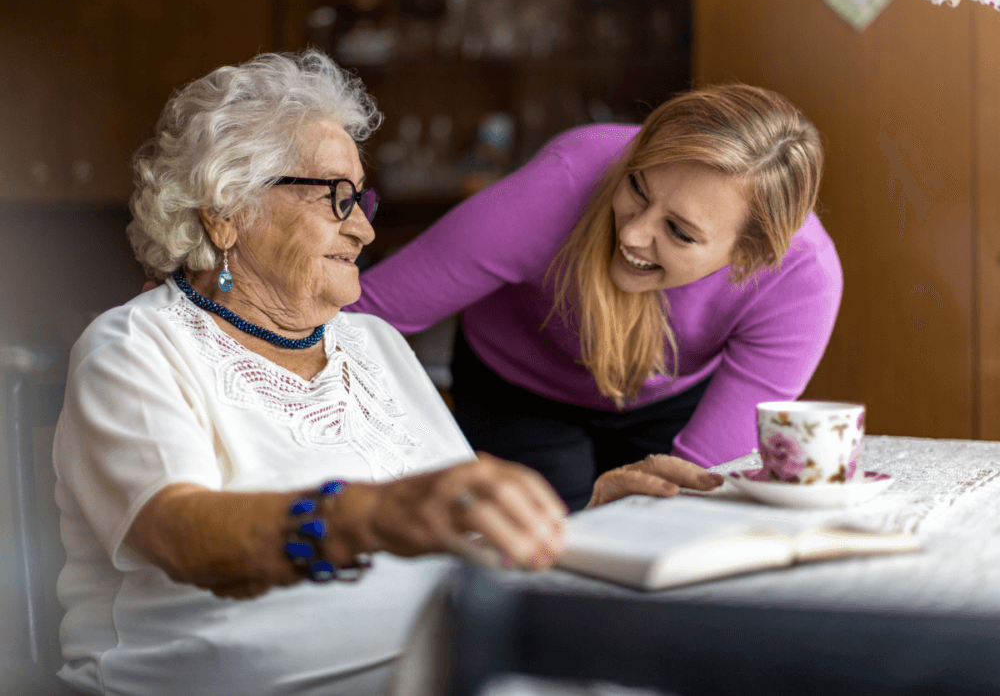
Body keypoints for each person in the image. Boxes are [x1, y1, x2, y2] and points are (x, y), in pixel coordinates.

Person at [53, 51, 721, 696]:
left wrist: (582, 521)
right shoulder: (137, 344)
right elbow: (180, 533)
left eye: (361, 202)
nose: (365, 234)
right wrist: (370, 515)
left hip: (441, 667)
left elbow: (453, 524)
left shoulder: (371, 344)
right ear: (227, 213)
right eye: (335, 200)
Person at [350, 84, 844, 511]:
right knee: (535, 551)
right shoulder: (563, 184)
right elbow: (359, 315)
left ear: (750, 256)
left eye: (678, 231)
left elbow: (699, 488)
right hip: (518, 384)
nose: (633, 234)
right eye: (637, 187)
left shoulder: (802, 280)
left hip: (671, 397)